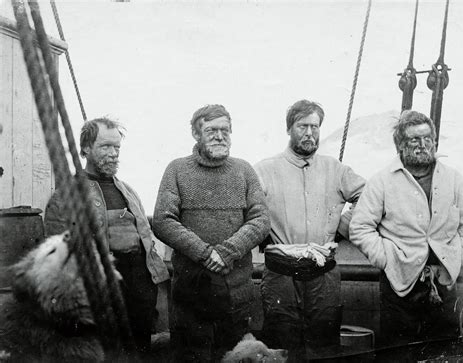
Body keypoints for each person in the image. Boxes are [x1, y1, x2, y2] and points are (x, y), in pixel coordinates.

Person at [153, 104, 270, 362]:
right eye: (211, 130)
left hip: (236, 296)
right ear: (196, 134)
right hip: (190, 296)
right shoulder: (177, 170)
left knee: (234, 357)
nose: (220, 136)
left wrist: (226, 252)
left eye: (225, 130)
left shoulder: (244, 170)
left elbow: (261, 219)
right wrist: (205, 253)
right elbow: (163, 220)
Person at [44, 117, 169, 356]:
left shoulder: (128, 191)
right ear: (85, 149)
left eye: (116, 148)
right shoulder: (66, 195)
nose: (113, 154)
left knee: (138, 349)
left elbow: (145, 238)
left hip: (138, 286)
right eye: (105, 147)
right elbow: (57, 253)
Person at [254, 99, 365, 360]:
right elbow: (250, 211)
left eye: (315, 127)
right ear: (289, 129)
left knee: (324, 347)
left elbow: (368, 197)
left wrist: (342, 225)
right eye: (302, 126)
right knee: (282, 345)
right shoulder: (265, 170)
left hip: (323, 276)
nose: (309, 133)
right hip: (280, 275)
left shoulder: (335, 170)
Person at [349, 110, 463, 347]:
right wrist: (385, 259)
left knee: (443, 350)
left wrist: (460, 256)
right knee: (397, 352)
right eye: (414, 140)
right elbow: (360, 227)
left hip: (444, 283)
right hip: (399, 283)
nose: (422, 145)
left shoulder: (455, 180)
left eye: (428, 139)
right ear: (400, 145)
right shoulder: (382, 181)